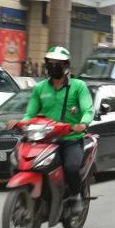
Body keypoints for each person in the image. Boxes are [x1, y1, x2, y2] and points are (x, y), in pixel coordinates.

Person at [21, 46, 93, 213]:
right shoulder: (40, 88)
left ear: (66, 65)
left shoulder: (78, 86)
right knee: (21, 159)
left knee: (71, 167)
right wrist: (22, 124)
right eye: (51, 63)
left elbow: (88, 110)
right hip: (45, 139)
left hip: (71, 139)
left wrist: (83, 123)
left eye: (58, 63)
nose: (54, 66)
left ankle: (75, 196)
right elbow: (29, 113)